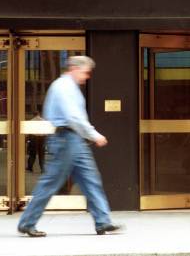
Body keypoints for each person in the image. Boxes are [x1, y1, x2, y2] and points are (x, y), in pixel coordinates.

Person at [17, 55, 122, 237]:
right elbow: (73, 117)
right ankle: (27, 222)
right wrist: (94, 135)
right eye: (86, 72)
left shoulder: (69, 87)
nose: (87, 76)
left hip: (74, 140)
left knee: (91, 181)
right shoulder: (63, 87)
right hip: (66, 139)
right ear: (74, 68)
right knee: (51, 182)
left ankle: (103, 221)